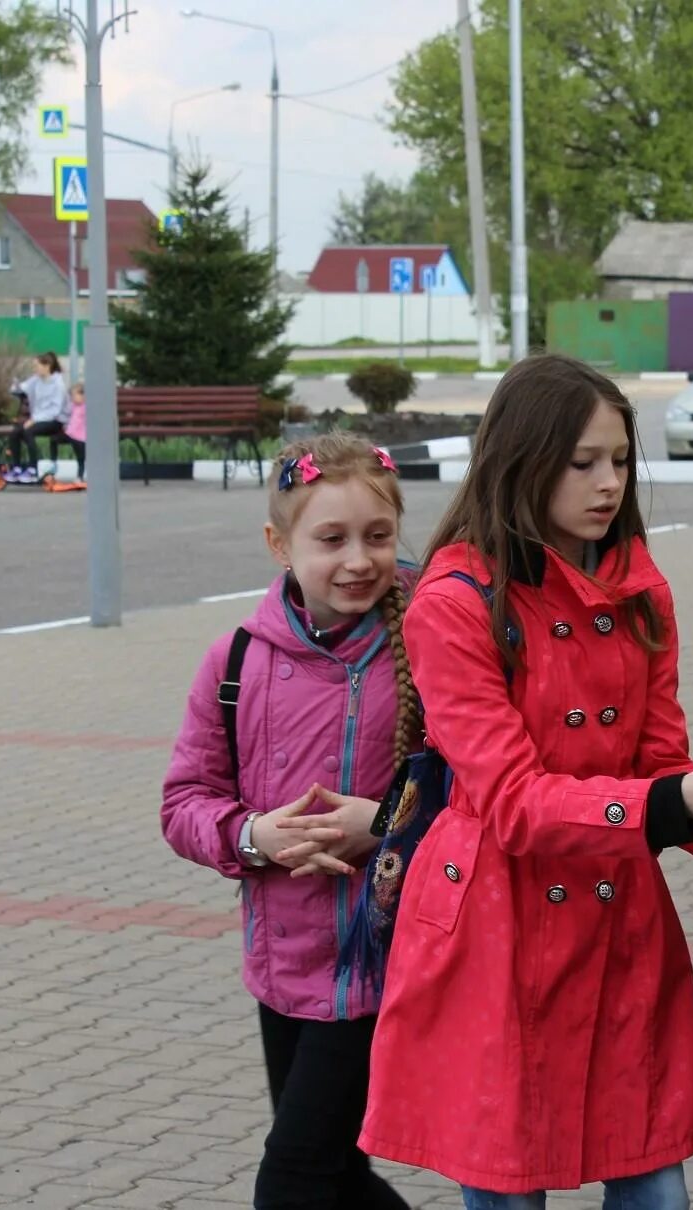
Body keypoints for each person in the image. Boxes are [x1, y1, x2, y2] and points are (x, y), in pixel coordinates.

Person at [351, 354, 693, 1208]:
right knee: (511, 1187)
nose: (608, 483)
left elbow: (660, 759)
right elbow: (512, 802)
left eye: (620, 460)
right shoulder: (454, 600)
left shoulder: (637, 587)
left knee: (653, 1180)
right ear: (521, 461)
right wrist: (675, 802)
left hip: (617, 922)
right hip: (496, 927)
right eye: (582, 461)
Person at [162, 433, 414, 1210]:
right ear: (279, 545)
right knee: (334, 1175)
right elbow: (183, 802)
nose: (357, 561)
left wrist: (385, 825)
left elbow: (476, 798)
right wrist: (252, 837)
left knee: (292, 1181)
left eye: (377, 537)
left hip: (383, 967)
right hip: (281, 966)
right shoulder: (237, 659)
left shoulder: (433, 646)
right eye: (330, 539)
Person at [4, 352, 70, 483]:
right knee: (15, 432)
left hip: (55, 421)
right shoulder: (36, 380)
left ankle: (33, 469)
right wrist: (16, 386)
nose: (35, 369)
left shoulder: (58, 385)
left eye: (37, 366)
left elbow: (55, 411)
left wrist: (34, 420)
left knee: (29, 431)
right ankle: (16, 468)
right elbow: (20, 388)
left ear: (47, 366)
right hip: (38, 419)